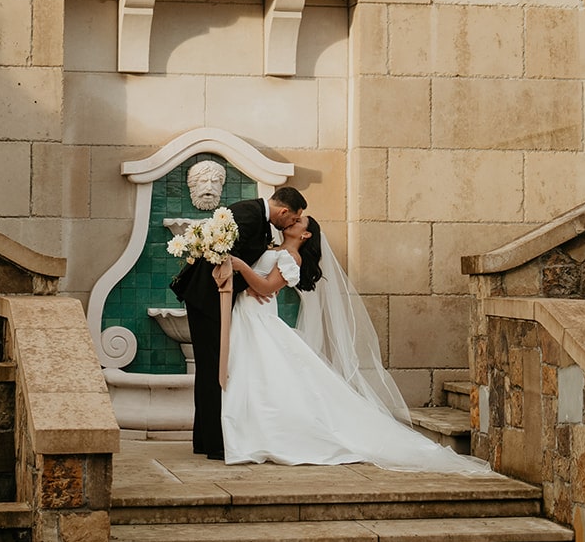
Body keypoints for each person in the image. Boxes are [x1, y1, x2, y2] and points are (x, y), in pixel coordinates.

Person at [221, 216, 490, 475]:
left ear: (306, 235)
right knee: (255, 376)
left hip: (260, 319)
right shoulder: (273, 248)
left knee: (267, 375)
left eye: (299, 222)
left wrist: (242, 268)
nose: (293, 221)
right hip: (248, 316)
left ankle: (269, 434)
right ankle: (252, 431)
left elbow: (267, 288)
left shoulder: (292, 258)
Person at [172, 185, 307, 460]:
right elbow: (222, 257)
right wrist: (251, 286)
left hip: (214, 299)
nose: (291, 224)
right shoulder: (249, 214)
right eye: (292, 218)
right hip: (208, 298)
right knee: (213, 368)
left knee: (212, 368)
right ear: (283, 211)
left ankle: (205, 439)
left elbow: (234, 258)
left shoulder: (257, 217)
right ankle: (214, 443)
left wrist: (251, 286)